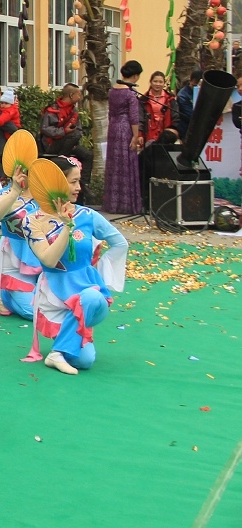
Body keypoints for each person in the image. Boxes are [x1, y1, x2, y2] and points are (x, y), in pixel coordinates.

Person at [25, 157, 128, 375]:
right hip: (55, 295)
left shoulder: (87, 215)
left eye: (78, 181)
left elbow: (120, 243)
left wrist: (99, 273)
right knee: (85, 360)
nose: (79, 187)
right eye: (73, 182)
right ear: (56, 183)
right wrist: (66, 227)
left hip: (89, 295)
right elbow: (48, 260)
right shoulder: (32, 221)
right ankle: (63, 347)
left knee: (91, 297)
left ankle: (56, 353)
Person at [0, 164, 41, 321]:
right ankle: (8, 297)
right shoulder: (5, 194)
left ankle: (23, 294)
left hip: (43, 257)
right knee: (34, 313)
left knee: (57, 308)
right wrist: (15, 191)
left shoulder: (44, 195)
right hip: (13, 260)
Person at [39, 84, 92, 204]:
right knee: (73, 136)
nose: (80, 97)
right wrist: (64, 131)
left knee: (88, 155)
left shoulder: (74, 110)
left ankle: (84, 184)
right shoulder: (52, 109)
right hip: (52, 144)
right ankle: (64, 158)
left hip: (70, 143)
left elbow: (78, 130)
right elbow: (45, 129)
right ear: (71, 95)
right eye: (79, 94)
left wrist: (73, 138)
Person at [103, 60, 144, 215]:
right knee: (127, 162)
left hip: (113, 127)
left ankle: (113, 202)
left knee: (114, 163)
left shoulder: (112, 90)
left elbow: (110, 113)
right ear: (135, 76)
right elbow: (134, 117)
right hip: (126, 128)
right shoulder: (130, 94)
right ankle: (126, 203)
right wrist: (135, 136)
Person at [140, 71, 176, 145]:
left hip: (166, 134)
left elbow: (175, 117)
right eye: (155, 81)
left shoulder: (170, 98)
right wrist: (139, 135)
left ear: (164, 83)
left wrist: (173, 130)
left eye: (160, 82)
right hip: (149, 134)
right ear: (150, 82)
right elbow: (139, 118)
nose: (158, 84)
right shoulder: (143, 99)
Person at [176, 70, 203, 139]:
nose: (196, 88)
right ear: (190, 81)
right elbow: (191, 115)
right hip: (186, 129)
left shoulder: (204, 91)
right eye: (194, 85)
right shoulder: (182, 95)